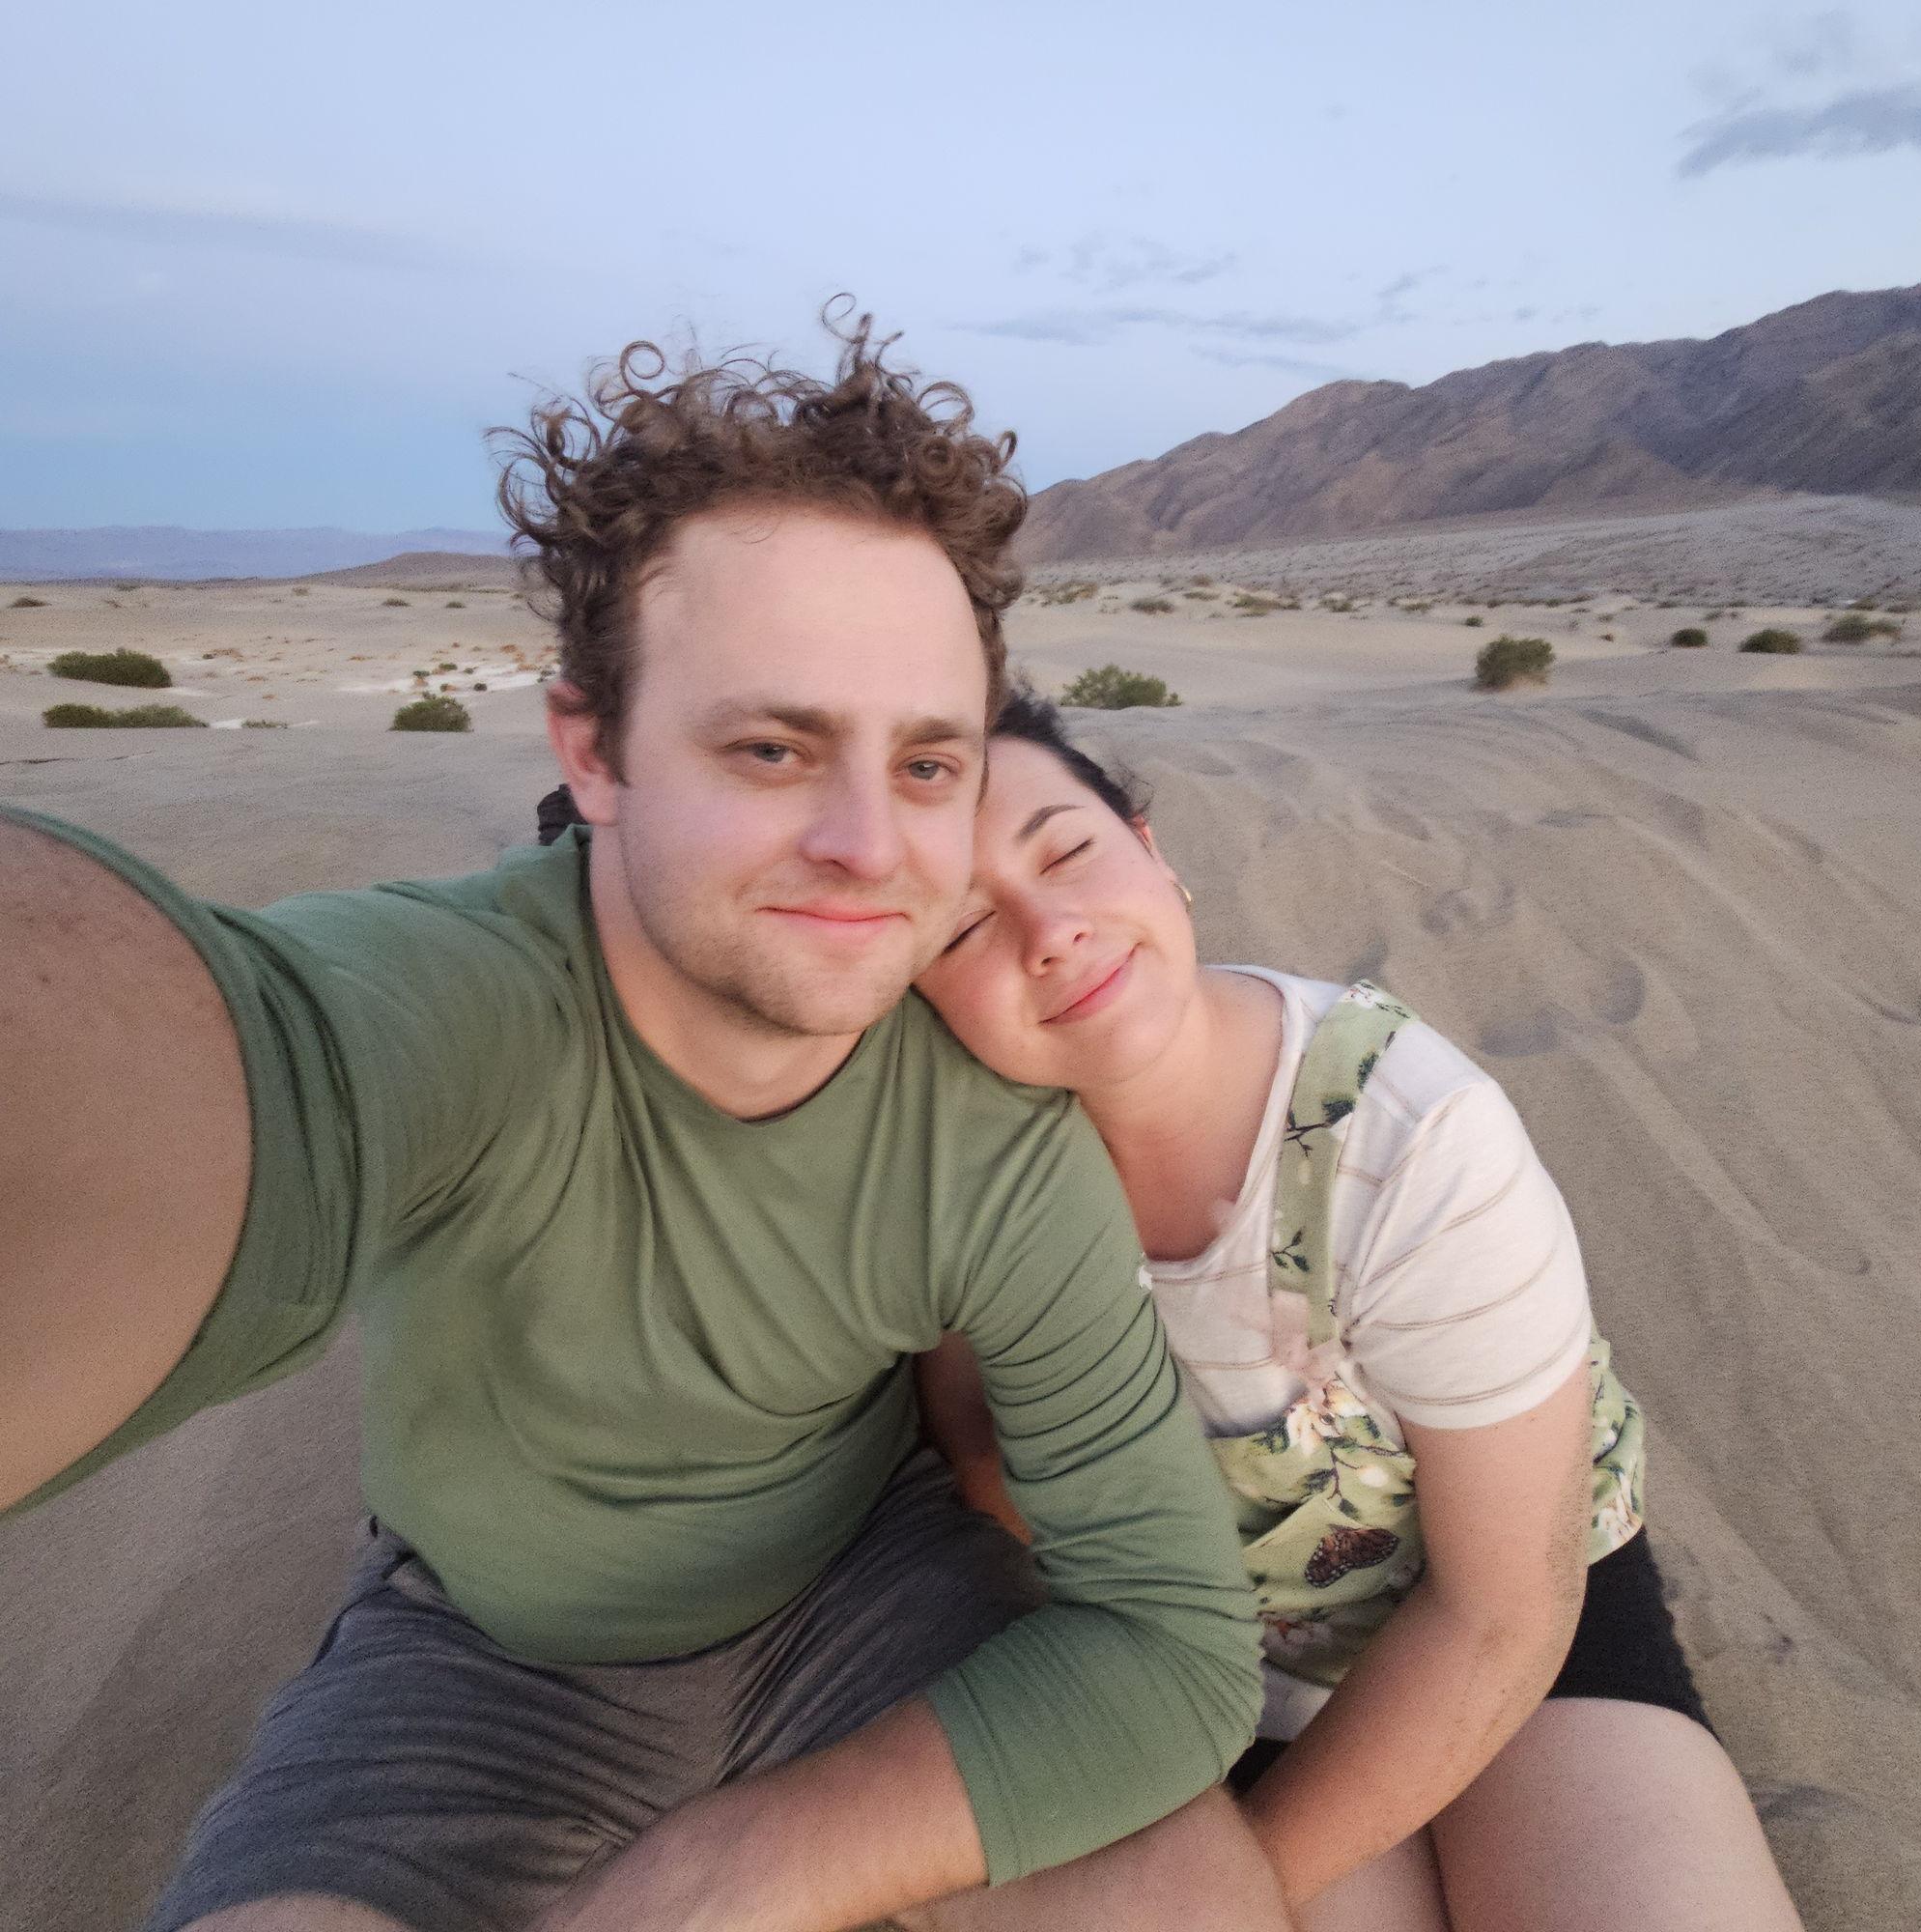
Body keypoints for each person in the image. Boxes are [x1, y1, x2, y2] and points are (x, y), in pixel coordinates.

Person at [0, 330, 1295, 1932]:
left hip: (871, 1596)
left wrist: (718, 1877)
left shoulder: (990, 1118)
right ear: (593, 752)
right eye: (772, 747)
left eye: (929, 763)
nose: (868, 847)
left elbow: (1167, 1642)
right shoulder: (452, 1008)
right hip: (480, 1660)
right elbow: (199, 1073)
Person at [911, 687, 1808, 1932]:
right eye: (960, 929)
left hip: (1506, 1608)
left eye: (1068, 851)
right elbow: (982, 1471)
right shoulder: (957, 1175)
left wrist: (1230, 1898)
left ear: (1155, 856)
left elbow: (1505, 1611)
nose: (1049, 930)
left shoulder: (1407, 1138)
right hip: (1200, 1667)